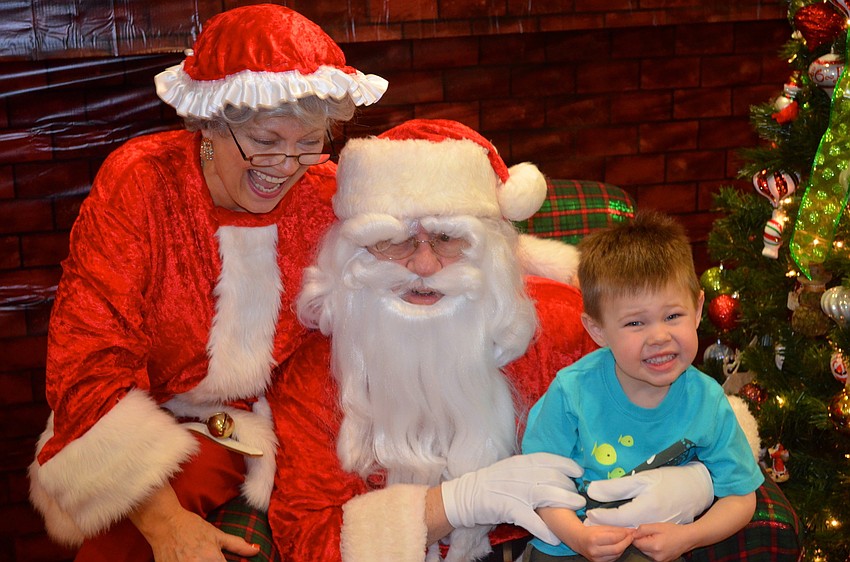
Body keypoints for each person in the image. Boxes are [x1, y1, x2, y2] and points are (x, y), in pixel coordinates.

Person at [266, 120, 721, 562]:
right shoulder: (316, 372)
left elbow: (690, 412)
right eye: (392, 240)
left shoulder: (561, 327)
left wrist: (698, 481)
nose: (423, 266)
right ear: (351, 252)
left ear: (492, 249)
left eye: (448, 238)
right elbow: (307, 540)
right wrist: (455, 504)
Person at [28, 5, 387, 562]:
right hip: (149, 417)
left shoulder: (326, 191)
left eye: (309, 142)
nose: (286, 165)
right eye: (264, 141)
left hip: (282, 424)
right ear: (211, 127)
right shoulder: (143, 181)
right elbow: (88, 359)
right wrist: (168, 524)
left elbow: (419, 248)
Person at [521, 211, 764, 562]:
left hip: (657, 547)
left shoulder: (707, 401)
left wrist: (688, 537)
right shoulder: (572, 392)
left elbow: (741, 497)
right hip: (566, 544)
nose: (659, 337)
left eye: (673, 316)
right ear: (598, 330)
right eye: (635, 323)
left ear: (697, 310)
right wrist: (579, 538)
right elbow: (538, 484)